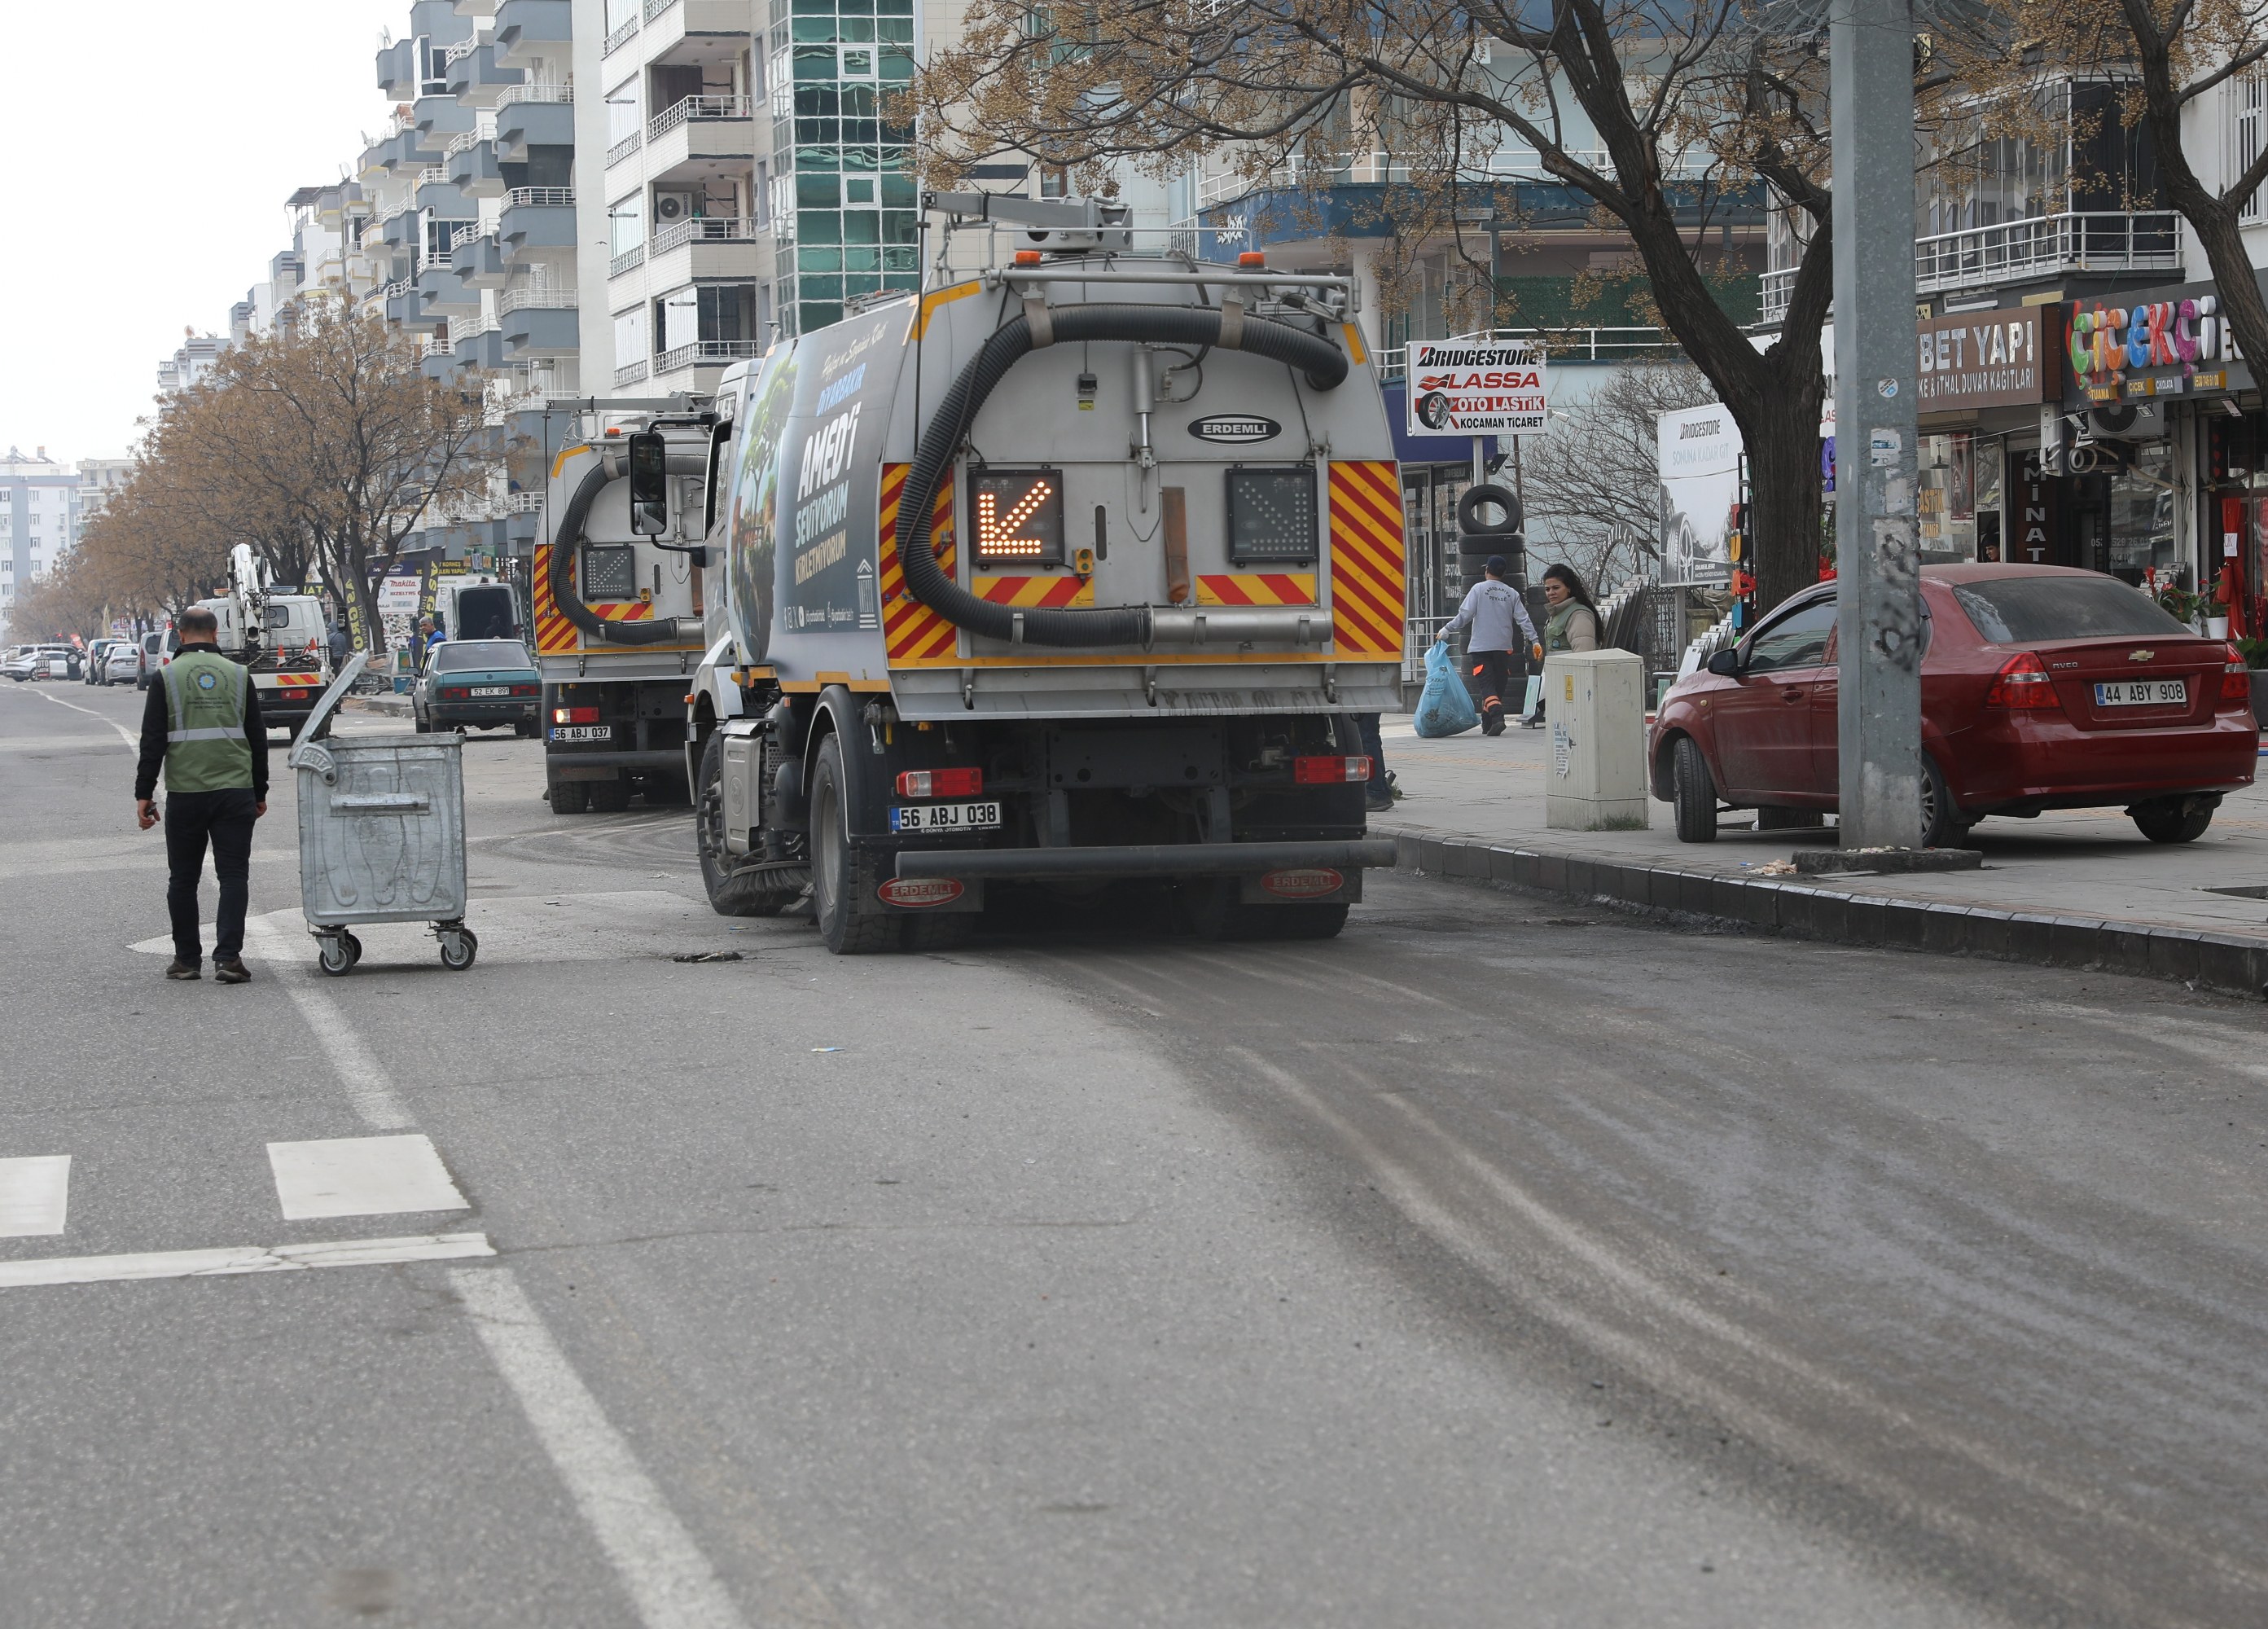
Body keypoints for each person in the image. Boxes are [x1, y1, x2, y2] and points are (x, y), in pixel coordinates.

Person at [134, 606, 269, 983]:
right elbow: (257, 738)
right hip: (235, 791)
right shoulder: (239, 675)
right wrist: (259, 790)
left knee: (183, 879)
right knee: (233, 876)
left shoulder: (166, 677)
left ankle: (186, 961)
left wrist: (144, 793)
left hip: (186, 792)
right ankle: (228, 958)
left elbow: (153, 740)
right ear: (215, 634)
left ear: (179, 635)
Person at [1436, 554, 1542, 737]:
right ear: (1504, 573)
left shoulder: (1478, 589)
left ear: (1487, 570)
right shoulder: (1511, 593)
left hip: (1481, 648)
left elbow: (1465, 615)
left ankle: (1497, 716)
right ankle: (1488, 722)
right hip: (1503, 648)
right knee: (1497, 685)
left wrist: (1447, 629)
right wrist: (1535, 641)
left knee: (1487, 685)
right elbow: (1523, 619)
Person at [1521, 564, 1604, 728]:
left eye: (1556, 588)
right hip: (1558, 681)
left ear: (1569, 588)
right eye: (1547, 589)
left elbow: (1584, 654)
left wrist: (1578, 688)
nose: (1551, 593)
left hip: (1571, 685)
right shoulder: (1557, 614)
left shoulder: (1578, 614)